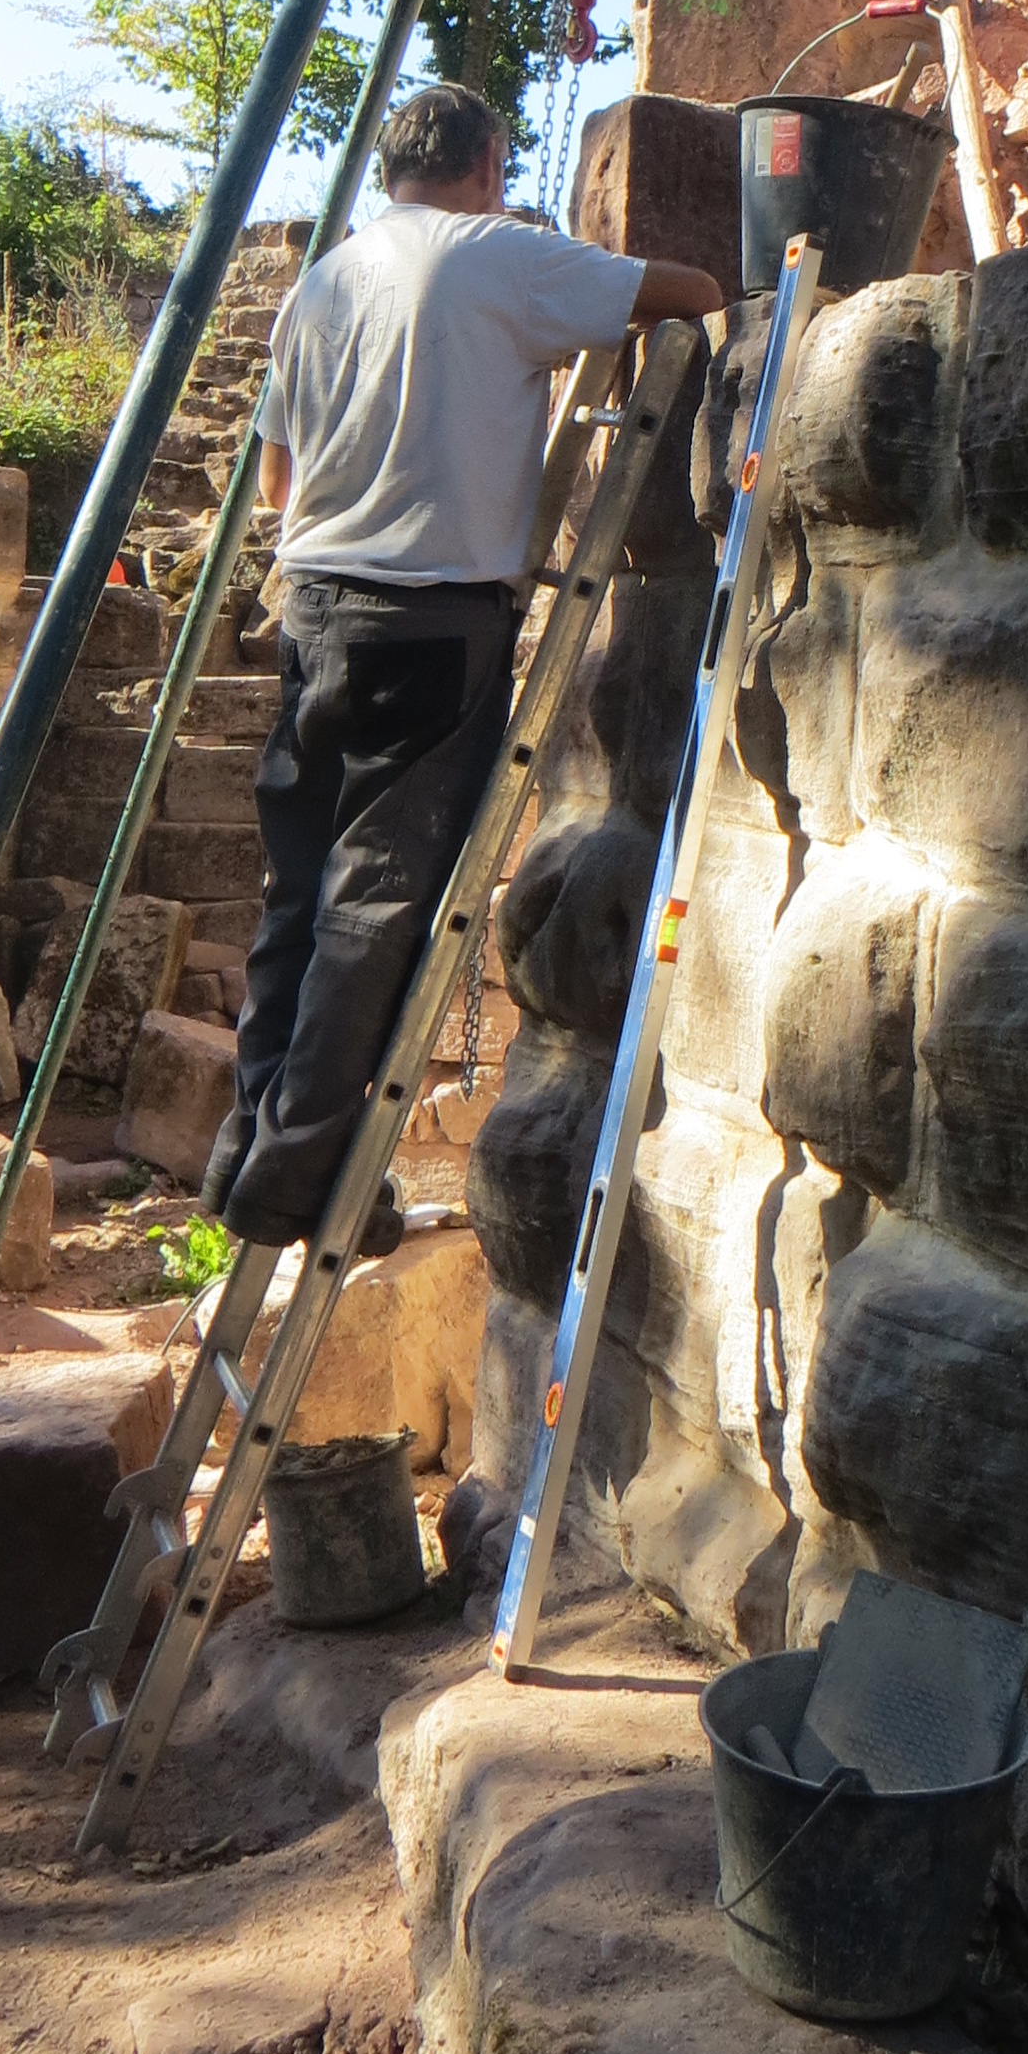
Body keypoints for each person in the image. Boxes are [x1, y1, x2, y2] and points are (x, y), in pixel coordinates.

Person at [209, 81, 723, 1250]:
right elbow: (690, 291)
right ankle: (296, 1181)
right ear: (488, 164)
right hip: (431, 621)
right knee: (376, 903)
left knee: (299, 893)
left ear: (391, 168)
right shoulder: (497, 254)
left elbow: (278, 484)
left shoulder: (322, 283)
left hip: (312, 610)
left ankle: (249, 1150)